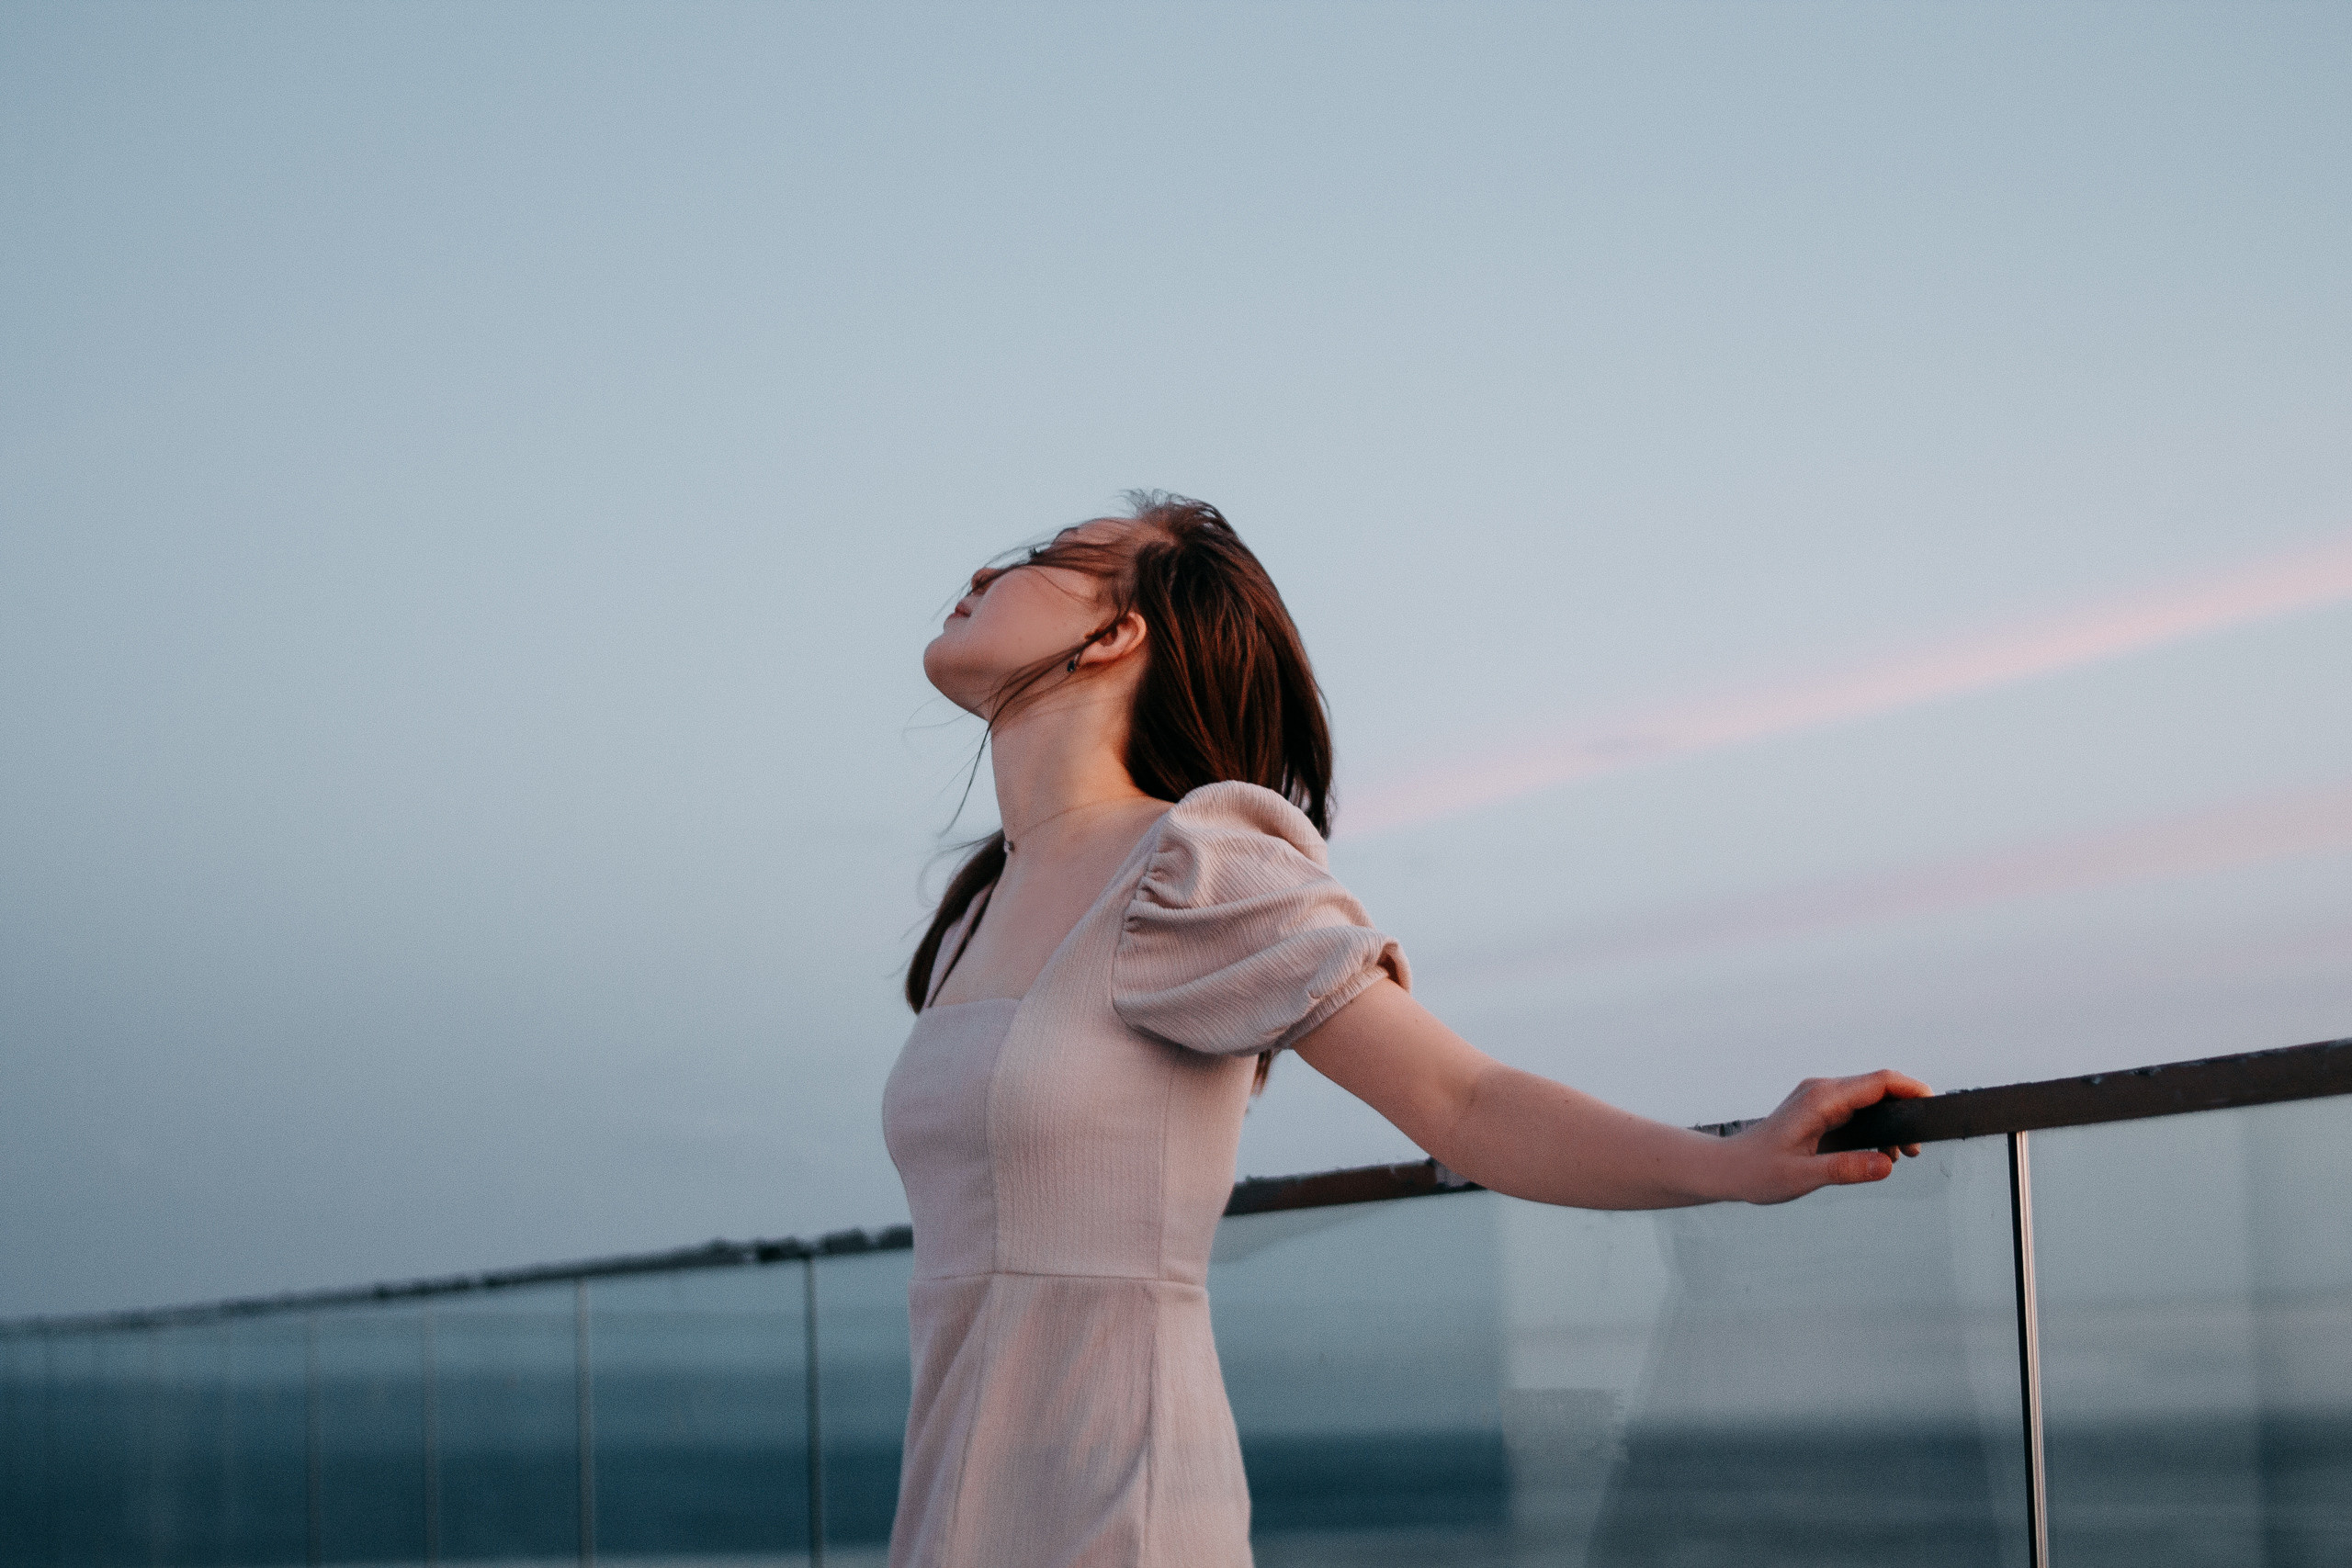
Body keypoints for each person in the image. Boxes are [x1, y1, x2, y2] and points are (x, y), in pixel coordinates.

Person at [882, 493, 1928, 1568]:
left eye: (1046, 556)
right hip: (950, 1510)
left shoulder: (1190, 867)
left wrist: (1730, 1163)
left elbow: (1461, 1099)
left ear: (1114, 633)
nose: (982, 573)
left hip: (1119, 1512)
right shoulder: (977, 912)